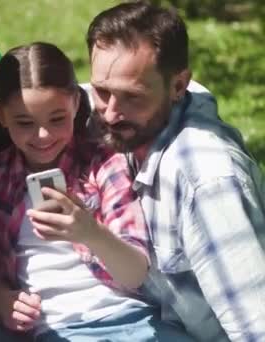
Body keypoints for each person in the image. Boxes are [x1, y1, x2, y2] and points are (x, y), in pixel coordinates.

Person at [0, 41, 193, 342]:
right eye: (25, 123)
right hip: (60, 330)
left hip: (133, 318)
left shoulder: (103, 163)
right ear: (0, 116)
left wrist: (89, 231)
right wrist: (3, 302)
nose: (43, 136)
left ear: (77, 103)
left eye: (57, 119)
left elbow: (135, 274)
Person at [86, 2, 265, 341]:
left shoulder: (206, 180)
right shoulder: (134, 115)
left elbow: (256, 327)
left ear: (179, 84)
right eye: (102, 91)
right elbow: (35, 102)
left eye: (131, 97)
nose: (110, 114)